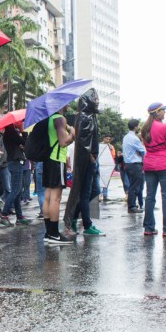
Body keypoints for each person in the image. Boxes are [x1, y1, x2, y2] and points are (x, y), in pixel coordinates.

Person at [63, 88, 104, 236]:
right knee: (85, 193)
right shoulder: (85, 117)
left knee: (92, 191)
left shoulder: (88, 116)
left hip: (90, 159)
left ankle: (74, 219)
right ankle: (87, 225)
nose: (97, 101)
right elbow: (83, 141)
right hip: (87, 160)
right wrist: (91, 157)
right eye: (95, 99)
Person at [141, 102, 166, 237]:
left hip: (149, 164)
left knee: (150, 196)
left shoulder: (144, 129)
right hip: (164, 164)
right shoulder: (164, 127)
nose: (165, 113)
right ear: (157, 112)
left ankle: (149, 228)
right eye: (163, 110)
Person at [43, 105, 76, 244]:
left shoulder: (50, 119)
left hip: (48, 160)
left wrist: (67, 127)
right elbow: (64, 143)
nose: (68, 104)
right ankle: (55, 234)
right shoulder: (59, 119)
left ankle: (49, 233)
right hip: (57, 160)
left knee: (48, 197)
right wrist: (73, 134)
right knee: (55, 198)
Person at [0, 121, 31, 227]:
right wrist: (22, 130)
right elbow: (25, 142)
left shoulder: (9, 132)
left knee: (17, 191)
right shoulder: (11, 132)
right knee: (16, 190)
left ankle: (19, 217)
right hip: (16, 163)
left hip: (14, 162)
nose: (20, 123)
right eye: (19, 122)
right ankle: (4, 214)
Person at [122, 118, 145, 213]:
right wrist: (140, 153)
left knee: (132, 185)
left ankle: (132, 205)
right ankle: (132, 206)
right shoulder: (135, 138)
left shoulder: (126, 137)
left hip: (128, 164)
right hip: (135, 164)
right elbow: (143, 151)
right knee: (135, 186)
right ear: (135, 127)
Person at [100, 135, 115, 201]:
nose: (108, 140)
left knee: (106, 181)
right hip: (100, 166)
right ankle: (99, 195)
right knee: (100, 181)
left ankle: (105, 195)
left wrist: (110, 149)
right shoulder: (99, 145)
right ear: (103, 138)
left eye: (109, 139)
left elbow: (113, 156)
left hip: (107, 167)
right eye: (107, 139)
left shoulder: (111, 147)